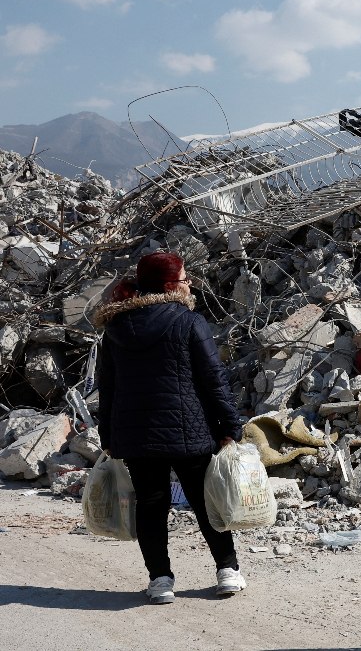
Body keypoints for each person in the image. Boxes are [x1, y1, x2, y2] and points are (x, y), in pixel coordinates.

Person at [94, 251, 246, 605]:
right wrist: (230, 425)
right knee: (206, 499)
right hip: (189, 430)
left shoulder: (116, 329)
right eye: (184, 278)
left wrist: (109, 437)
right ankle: (227, 570)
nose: (189, 282)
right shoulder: (189, 321)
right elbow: (213, 379)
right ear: (168, 285)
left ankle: (160, 580)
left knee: (151, 504)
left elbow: (108, 389)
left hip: (136, 434)